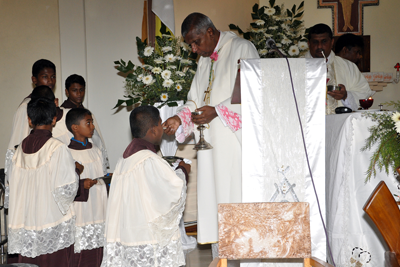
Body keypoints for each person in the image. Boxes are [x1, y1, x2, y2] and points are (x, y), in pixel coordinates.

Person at [162, 13, 259, 258]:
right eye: (190, 45)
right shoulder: (205, 60)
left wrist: (217, 111)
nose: (194, 49)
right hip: (209, 144)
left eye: (196, 42)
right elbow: (194, 99)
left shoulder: (242, 48)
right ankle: (221, 258)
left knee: (233, 194)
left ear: (210, 32)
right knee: (214, 198)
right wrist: (179, 117)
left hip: (232, 143)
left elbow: (255, 91)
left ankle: (246, 257)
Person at [101, 106, 190, 267]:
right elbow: (172, 192)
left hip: (128, 234)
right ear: (154, 130)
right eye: (160, 124)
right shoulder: (148, 159)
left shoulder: (124, 160)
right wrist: (183, 170)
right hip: (146, 237)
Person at [5, 97, 80, 266]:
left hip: (27, 225)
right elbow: (66, 190)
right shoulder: (57, 148)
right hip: (51, 224)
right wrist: (76, 172)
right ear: (54, 119)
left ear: (30, 120)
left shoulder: (18, 151)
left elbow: (11, 188)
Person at [66, 108, 108, 267]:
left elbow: (102, 174)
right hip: (81, 207)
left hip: (99, 204)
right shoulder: (67, 153)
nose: (92, 127)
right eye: (88, 123)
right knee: (82, 249)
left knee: (100, 246)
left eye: (92, 123)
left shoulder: (96, 151)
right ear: (75, 127)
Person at [5, 59, 56, 180]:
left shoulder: (54, 105)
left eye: (53, 76)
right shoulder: (26, 107)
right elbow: (17, 144)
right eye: (45, 76)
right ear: (34, 80)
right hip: (33, 172)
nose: (50, 80)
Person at [305, 23, 372, 113]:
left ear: (332, 42)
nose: (320, 46)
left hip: (339, 123)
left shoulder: (348, 67)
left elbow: (364, 93)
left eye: (324, 41)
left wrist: (346, 96)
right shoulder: (296, 67)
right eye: (315, 42)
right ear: (309, 43)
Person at [58, 74, 110, 168]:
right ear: (67, 92)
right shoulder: (61, 115)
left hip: (92, 156)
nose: (79, 94)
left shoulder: (88, 113)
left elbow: (97, 140)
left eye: (81, 90)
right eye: (74, 90)